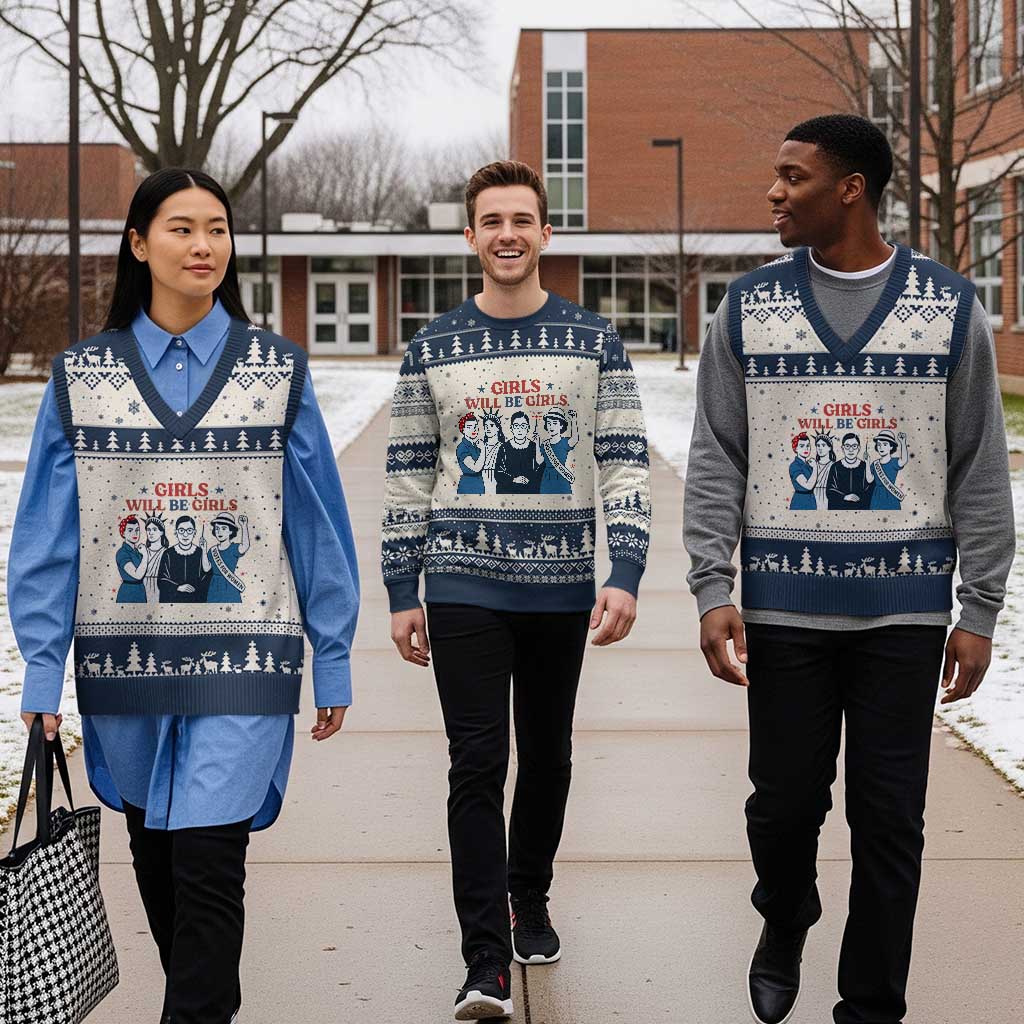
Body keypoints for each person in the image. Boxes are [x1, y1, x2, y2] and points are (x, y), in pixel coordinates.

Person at [683, 115, 1014, 1024]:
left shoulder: (947, 307)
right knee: (782, 811)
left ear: (851, 188)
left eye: (792, 177)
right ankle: (784, 914)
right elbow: (717, 453)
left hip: (904, 619)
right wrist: (714, 586)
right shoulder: (748, 308)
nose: (774, 193)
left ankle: (870, 1005)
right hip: (785, 610)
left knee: (889, 824)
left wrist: (979, 608)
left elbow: (979, 464)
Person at [11, 167, 359, 1024]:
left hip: (246, 660)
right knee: (159, 862)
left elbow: (316, 525)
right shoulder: (81, 378)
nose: (203, 246)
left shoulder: (277, 372)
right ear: (138, 244)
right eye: (181, 228)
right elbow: (48, 540)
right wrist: (43, 675)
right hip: (122, 663)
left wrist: (335, 655)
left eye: (217, 229)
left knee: (210, 865)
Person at [381, 160, 652, 1022]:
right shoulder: (432, 347)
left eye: (522, 220)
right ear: (470, 236)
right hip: (462, 582)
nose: (507, 234)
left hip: (561, 587)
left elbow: (623, 461)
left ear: (545, 233)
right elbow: (407, 478)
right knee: (477, 761)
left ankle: (527, 895)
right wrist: (401, 586)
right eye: (491, 220)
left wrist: (628, 569)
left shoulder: (593, 340)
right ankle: (484, 961)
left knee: (548, 754)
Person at [158, 514, 210, 601]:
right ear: (176, 532)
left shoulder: (200, 552)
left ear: (194, 533)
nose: (185, 534)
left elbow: (207, 578)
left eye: (189, 530)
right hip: (173, 601)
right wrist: (178, 587)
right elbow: (161, 580)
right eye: (181, 530)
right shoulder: (168, 553)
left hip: (195, 602)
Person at [202, 511, 251, 604]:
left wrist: (244, 526)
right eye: (217, 528)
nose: (219, 532)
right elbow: (206, 568)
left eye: (224, 528)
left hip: (229, 585)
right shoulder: (212, 550)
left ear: (231, 531)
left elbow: (245, 546)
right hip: (214, 586)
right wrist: (204, 549)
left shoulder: (234, 548)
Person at [535, 408, 579, 495]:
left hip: (561, 477)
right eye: (549, 423)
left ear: (561, 426)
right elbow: (539, 461)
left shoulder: (564, 442)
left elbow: (575, 439)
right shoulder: (545, 444)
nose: (551, 426)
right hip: (547, 478)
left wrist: (573, 420)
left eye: (555, 423)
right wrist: (537, 443)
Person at [495, 410, 541, 494]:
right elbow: (498, 474)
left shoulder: (534, 446)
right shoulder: (504, 448)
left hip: (530, 491)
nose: (520, 429)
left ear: (528, 428)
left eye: (523, 426)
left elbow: (540, 470)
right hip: (508, 492)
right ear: (511, 428)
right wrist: (514, 479)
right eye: (516, 426)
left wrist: (529, 479)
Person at [826, 432, 871, 509]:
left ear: (859, 448)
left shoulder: (864, 466)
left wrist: (858, 498)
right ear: (842, 448)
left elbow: (870, 490)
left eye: (854, 446)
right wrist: (845, 497)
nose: (851, 450)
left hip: (860, 509)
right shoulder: (835, 467)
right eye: (847, 446)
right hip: (839, 509)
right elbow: (830, 491)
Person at [866, 430, 909, 510]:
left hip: (891, 494)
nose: (881, 447)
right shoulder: (875, 464)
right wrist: (867, 462)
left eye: (885, 444)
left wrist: (903, 442)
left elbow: (904, 460)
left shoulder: (894, 462)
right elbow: (869, 480)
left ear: (891, 447)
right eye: (879, 445)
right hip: (877, 495)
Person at [116, 515, 147, 603]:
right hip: (128, 592)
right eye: (130, 530)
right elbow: (137, 575)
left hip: (140, 590)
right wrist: (145, 555)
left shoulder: (138, 551)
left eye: (137, 530)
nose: (135, 533)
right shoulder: (122, 553)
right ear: (123, 533)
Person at [141, 515, 170, 604]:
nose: (151, 533)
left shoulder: (167, 552)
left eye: (154, 529)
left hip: (160, 588)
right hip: (143, 588)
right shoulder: (142, 551)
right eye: (148, 530)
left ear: (161, 532)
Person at [456, 412, 486, 494]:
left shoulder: (476, 446)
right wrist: (483, 450)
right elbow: (476, 468)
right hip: (468, 484)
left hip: (479, 483)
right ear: (463, 429)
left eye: (475, 427)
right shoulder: (462, 448)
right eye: (469, 427)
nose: (473, 430)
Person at [788, 433, 817, 510]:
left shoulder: (809, 465)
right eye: (802, 446)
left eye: (808, 446)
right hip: (800, 501)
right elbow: (808, 486)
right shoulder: (794, 466)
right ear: (796, 448)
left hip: (811, 500)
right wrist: (815, 468)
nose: (806, 449)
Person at [812, 432, 836, 511]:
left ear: (829, 447)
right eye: (818, 445)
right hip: (813, 498)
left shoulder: (835, 466)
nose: (820, 448)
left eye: (823, 445)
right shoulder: (812, 465)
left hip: (828, 498)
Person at [480, 414, 503, 495]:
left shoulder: (503, 447)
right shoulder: (481, 446)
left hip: (497, 479)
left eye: (491, 425)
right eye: (486, 426)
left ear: (498, 428)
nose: (488, 428)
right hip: (481, 479)